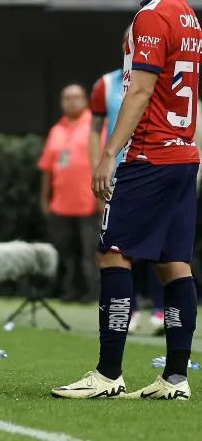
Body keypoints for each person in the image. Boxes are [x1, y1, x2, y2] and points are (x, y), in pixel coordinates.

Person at [54, 0, 200, 400]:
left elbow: (139, 91)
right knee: (173, 263)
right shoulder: (190, 16)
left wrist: (108, 151)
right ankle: (175, 377)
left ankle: (108, 373)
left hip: (151, 153)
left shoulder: (151, 16)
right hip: (184, 153)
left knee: (112, 251)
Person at [89, 46, 165, 334]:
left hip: (154, 167)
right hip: (118, 172)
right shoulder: (106, 84)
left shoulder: (159, 78)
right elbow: (94, 129)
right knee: (116, 247)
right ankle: (127, 311)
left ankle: (161, 311)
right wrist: (100, 163)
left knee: (161, 247)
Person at [38, 84, 98, 302]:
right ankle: (70, 290)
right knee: (66, 252)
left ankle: (93, 292)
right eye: (67, 98)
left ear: (85, 100)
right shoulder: (57, 130)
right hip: (61, 204)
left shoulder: (95, 126)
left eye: (76, 97)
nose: (72, 102)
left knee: (90, 252)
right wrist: (45, 199)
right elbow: (46, 169)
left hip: (89, 202)